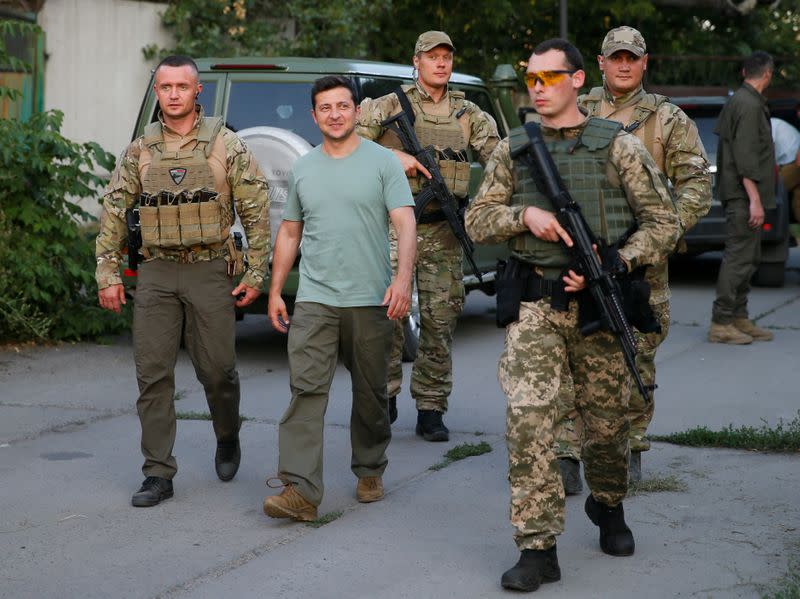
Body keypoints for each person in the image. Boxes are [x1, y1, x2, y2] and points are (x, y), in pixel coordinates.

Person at [465, 39, 679, 592]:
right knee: (529, 417)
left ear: (579, 80)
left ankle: (608, 504)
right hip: (536, 304)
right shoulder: (512, 148)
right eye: (531, 79)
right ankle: (537, 547)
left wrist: (616, 260)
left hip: (599, 305)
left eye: (550, 78)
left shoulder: (618, 147)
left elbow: (664, 222)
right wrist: (524, 215)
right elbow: (477, 221)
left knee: (606, 427)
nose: (538, 88)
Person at [95, 55, 270, 507]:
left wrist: (256, 271)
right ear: (157, 93)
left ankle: (227, 434)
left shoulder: (225, 144)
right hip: (155, 271)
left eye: (182, 86)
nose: (173, 94)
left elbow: (255, 208)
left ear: (198, 92)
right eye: (165, 87)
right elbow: (115, 209)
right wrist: (108, 272)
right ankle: (158, 472)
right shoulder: (141, 149)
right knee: (152, 374)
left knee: (218, 370)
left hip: (210, 268)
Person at [554, 26, 712, 488]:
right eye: (615, 57)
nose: (624, 65)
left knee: (637, 349)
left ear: (645, 63)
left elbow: (697, 184)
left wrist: (664, 230)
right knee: (567, 352)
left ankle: (631, 444)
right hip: (579, 253)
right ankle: (567, 451)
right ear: (600, 64)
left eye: (632, 58)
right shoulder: (575, 109)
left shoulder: (667, 118)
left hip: (642, 260)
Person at [262, 76, 416, 522]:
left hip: (370, 299)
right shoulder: (305, 167)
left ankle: (369, 467)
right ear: (314, 116)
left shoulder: (382, 162)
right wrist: (276, 290)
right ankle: (301, 491)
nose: (334, 114)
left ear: (355, 111)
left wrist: (402, 280)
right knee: (305, 390)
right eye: (325, 108)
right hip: (315, 299)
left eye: (342, 106)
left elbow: (405, 223)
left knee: (370, 393)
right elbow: (291, 231)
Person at [356, 31, 499, 441]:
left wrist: (487, 205)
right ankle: (385, 398)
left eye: (446, 57)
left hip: (443, 230)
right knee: (389, 317)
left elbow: (500, 161)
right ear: (415, 61)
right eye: (431, 56)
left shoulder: (468, 113)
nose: (440, 63)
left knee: (440, 320)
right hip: (392, 227)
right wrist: (393, 155)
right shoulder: (388, 105)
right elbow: (346, 143)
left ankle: (431, 407)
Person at [709, 51, 776, 344]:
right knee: (739, 258)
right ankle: (721, 322)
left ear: (743, 72)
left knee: (749, 257)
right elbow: (745, 157)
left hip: (740, 195)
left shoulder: (741, 100)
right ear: (768, 74)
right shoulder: (748, 105)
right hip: (744, 196)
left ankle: (738, 316)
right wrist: (755, 200)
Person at [770, 115, 800, 224]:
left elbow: (770, 151)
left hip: (793, 163)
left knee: (772, 190)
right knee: (798, 198)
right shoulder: (776, 123)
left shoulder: (769, 124)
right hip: (791, 162)